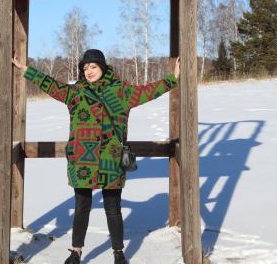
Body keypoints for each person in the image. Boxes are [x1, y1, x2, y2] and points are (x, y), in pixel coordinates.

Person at [12, 48, 180, 264]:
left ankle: (118, 253)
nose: (88, 71)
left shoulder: (122, 93)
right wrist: (27, 70)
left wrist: (172, 79)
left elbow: (149, 91)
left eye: (92, 66)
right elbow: (51, 85)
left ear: (102, 67)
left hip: (111, 160)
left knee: (113, 208)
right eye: (84, 67)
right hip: (82, 161)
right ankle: (76, 252)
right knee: (81, 207)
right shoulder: (75, 93)